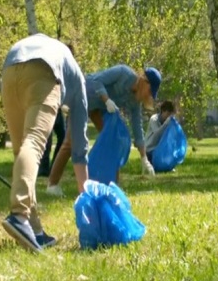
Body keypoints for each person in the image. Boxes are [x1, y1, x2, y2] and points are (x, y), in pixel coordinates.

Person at [1, 34, 90, 252]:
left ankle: (35, 230)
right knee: (33, 143)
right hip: (44, 71)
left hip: (9, 69)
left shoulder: (52, 46)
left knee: (21, 150)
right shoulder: (77, 79)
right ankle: (19, 214)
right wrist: (86, 199)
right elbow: (79, 146)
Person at [45, 64, 161, 194]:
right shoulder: (123, 73)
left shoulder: (135, 101)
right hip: (84, 95)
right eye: (151, 91)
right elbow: (96, 80)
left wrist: (144, 157)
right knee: (70, 142)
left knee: (114, 141)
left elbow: (137, 126)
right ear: (145, 82)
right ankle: (52, 185)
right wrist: (106, 100)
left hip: (100, 107)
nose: (149, 96)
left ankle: (114, 185)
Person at [145, 99, 176, 164]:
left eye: (170, 114)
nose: (168, 116)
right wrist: (166, 124)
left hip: (162, 150)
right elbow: (157, 134)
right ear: (162, 111)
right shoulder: (154, 119)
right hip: (150, 150)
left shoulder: (169, 122)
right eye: (168, 113)